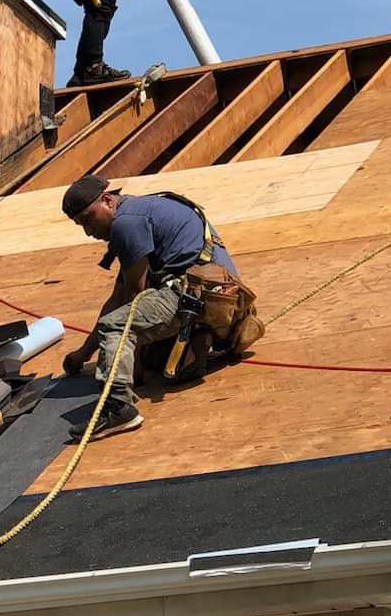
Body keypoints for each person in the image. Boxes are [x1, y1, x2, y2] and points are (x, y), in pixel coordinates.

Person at [59, 175, 254, 439]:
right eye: (80, 223)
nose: (88, 231)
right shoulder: (138, 211)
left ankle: (118, 409)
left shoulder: (126, 225)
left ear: (106, 200)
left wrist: (135, 363)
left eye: (88, 218)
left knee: (115, 327)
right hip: (221, 297)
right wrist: (84, 353)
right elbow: (118, 296)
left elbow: (133, 298)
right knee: (152, 359)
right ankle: (198, 338)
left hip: (199, 296)